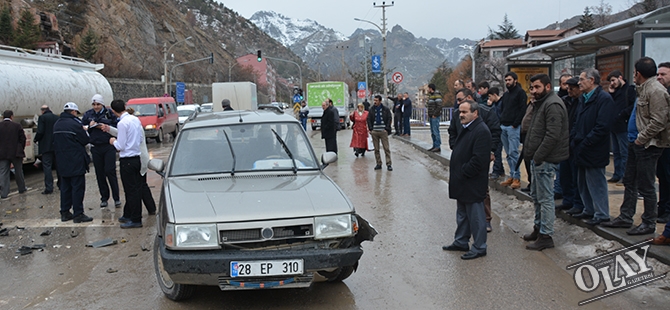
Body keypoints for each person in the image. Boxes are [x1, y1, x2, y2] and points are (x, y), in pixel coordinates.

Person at [601, 57, 670, 235]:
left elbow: (659, 121)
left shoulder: (656, 91)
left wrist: (641, 138)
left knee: (646, 185)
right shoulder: (642, 89)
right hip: (635, 142)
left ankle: (649, 222)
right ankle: (625, 216)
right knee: (630, 180)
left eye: (634, 73)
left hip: (648, 145)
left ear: (638, 73)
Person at [521, 74, 569, 251]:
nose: (533, 91)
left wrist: (539, 155)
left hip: (546, 159)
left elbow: (552, 135)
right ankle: (538, 228)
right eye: (532, 87)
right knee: (537, 196)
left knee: (545, 198)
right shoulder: (541, 104)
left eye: (537, 87)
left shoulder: (552, 104)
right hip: (538, 158)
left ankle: (546, 235)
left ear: (548, 87)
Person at [442, 100, 491, 260]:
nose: (460, 115)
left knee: (476, 216)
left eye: (464, 112)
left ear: (475, 113)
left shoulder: (481, 131)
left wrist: (463, 172)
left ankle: (479, 246)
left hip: (471, 182)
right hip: (462, 181)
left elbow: (479, 160)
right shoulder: (468, 128)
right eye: (460, 112)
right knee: (462, 214)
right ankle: (461, 241)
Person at [450, 88, 501, 232]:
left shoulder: (485, 112)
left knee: (481, 189)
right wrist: (456, 148)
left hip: (480, 156)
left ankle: (485, 220)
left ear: (470, 97)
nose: (458, 104)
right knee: (463, 189)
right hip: (462, 157)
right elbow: (452, 132)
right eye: (457, 101)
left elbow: (495, 132)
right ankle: (465, 226)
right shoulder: (456, 114)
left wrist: (491, 151)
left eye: (461, 100)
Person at [570, 68, 616, 225]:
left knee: (596, 182)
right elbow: (578, 121)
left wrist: (586, 141)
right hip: (581, 147)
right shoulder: (583, 98)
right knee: (582, 181)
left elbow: (602, 127)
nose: (579, 82)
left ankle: (601, 214)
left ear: (592, 81)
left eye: (582, 79)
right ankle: (588, 210)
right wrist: (574, 139)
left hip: (594, 148)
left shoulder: (604, 99)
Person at [102, 107, 157, 216]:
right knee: (139, 185)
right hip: (140, 157)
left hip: (136, 157)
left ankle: (137, 213)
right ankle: (148, 208)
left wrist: (113, 141)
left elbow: (124, 137)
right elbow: (124, 134)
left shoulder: (129, 123)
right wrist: (109, 129)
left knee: (135, 187)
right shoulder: (135, 122)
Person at [52, 103, 93, 223]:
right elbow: (85, 140)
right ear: (74, 112)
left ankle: (65, 212)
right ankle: (78, 214)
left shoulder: (57, 124)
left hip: (61, 161)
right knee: (77, 188)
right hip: (75, 160)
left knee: (65, 188)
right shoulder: (75, 124)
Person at [109, 99, 144, 229]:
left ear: (113, 111)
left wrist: (113, 141)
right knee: (134, 188)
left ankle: (136, 219)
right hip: (136, 158)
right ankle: (128, 214)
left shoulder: (122, 123)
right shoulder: (135, 120)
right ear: (124, 107)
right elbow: (140, 138)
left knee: (131, 191)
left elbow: (120, 146)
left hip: (127, 160)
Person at [82, 94, 121, 208]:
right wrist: (89, 126)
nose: (96, 107)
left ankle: (116, 197)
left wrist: (104, 125)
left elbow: (116, 127)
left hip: (108, 146)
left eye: (98, 104)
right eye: (94, 104)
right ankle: (104, 197)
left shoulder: (109, 114)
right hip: (95, 146)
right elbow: (82, 126)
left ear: (102, 104)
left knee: (110, 171)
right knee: (100, 174)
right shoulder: (88, 114)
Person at [560, 77, 586, 215]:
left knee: (576, 176)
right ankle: (567, 200)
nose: (569, 91)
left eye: (572, 88)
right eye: (567, 88)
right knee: (565, 174)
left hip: (574, 143)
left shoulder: (582, 102)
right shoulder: (567, 101)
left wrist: (574, 139)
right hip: (565, 143)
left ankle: (578, 203)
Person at [606, 70, 637, 183]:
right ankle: (617, 174)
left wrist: (621, 114)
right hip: (614, 126)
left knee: (624, 152)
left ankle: (625, 175)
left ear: (620, 77)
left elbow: (632, 106)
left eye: (613, 80)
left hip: (624, 126)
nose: (612, 83)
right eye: (610, 81)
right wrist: (611, 93)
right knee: (616, 153)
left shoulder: (629, 90)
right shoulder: (615, 92)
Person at [499, 72, 527, 190]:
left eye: (509, 80)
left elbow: (522, 109)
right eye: (506, 80)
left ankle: (516, 177)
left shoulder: (520, 93)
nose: (507, 82)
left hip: (513, 127)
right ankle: (511, 174)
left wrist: (516, 123)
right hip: (504, 126)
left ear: (515, 80)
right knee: (508, 154)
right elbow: (502, 108)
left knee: (513, 152)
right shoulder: (506, 95)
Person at [0, 110, 27, 199]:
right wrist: (20, 148)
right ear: (12, 116)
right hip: (16, 153)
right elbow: (23, 139)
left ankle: (4, 193)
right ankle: (21, 188)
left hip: (2, 153)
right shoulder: (17, 126)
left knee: (3, 173)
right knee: (18, 171)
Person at [34, 105, 59, 195]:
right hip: (57, 145)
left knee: (47, 166)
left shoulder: (42, 118)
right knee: (58, 166)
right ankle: (61, 184)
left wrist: (36, 139)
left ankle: (49, 187)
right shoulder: (56, 117)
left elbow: (40, 131)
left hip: (46, 146)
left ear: (42, 111)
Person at [656, 62, 670, 224]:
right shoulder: (661, 93)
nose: (659, 77)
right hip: (661, 144)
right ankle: (663, 207)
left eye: (663, 74)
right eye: (658, 74)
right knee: (662, 177)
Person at [367, 95, 392, 171]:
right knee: (376, 149)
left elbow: (389, 118)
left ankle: (389, 164)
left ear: (380, 101)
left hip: (383, 131)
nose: (375, 102)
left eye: (376, 100)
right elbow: (368, 119)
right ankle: (378, 163)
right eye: (374, 100)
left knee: (386, 148)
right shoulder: (371, 109)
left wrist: (387, 128)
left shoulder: (385, 109)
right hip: (375, 131)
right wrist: (371, 129)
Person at [487, 87, 505, 180]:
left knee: (497, 151)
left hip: (500, 129)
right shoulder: (494, 105)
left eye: (490, 96)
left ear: (494, 95)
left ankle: (496, 171)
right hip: (496, 128)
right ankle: (500, 170)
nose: (489, 99)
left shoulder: (501, 104)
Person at [426, 84, 443, 152]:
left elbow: (439, 106)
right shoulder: (431, 96)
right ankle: (434, 145)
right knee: (433, 131)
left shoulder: (437, 95)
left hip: (435, 116)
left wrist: (435, 114)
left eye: (428, 88)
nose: (428, 90)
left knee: (436, 131)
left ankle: (437, 146)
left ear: (431, 88)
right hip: (431, 116)